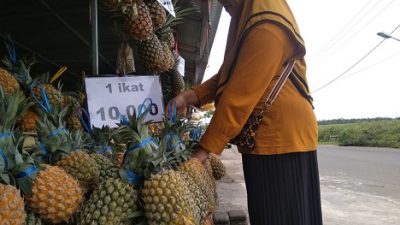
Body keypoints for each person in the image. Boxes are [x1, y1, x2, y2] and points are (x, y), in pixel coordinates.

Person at [167, 0, 323, 224]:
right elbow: (226, 78)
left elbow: (237, 99)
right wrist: (187, 97)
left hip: (281, 138)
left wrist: (201, 152)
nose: (223, 4)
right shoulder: (248, 18)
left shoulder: (267, 26)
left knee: (280, 215)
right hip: (268, 137)